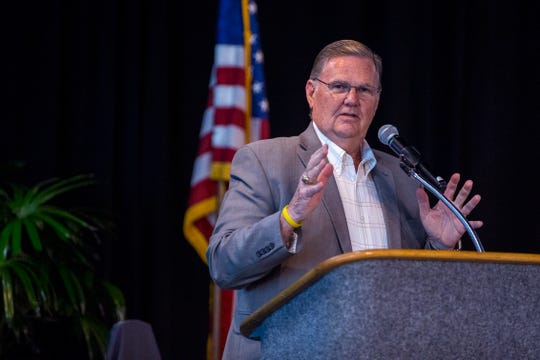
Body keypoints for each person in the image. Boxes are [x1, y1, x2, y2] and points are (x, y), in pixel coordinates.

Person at [206, 39, 483, 359]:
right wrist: (289, 217)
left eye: (365, 90)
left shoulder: (404, 177)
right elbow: (224, 264)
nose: (352, 99)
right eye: (339, 86)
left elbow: (420, 296)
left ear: (377, 101)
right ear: (311, 92)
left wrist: (439, 247)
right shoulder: (263, 160)